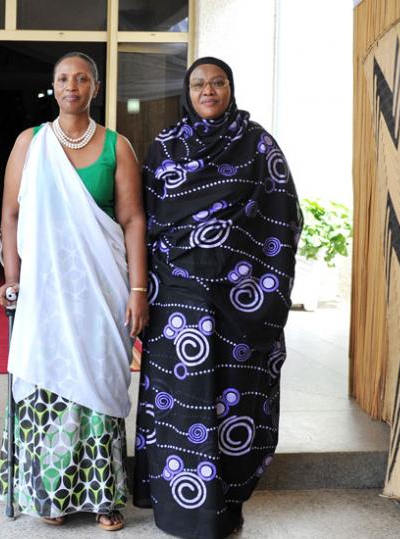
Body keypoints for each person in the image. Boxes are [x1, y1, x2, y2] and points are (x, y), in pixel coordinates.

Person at [132, 57, 302, 538]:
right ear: (187, 93)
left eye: (218, 83)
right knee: (180, 400)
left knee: (232, 402)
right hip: (176, 300)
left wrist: (241, 265)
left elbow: (284, 216)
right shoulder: (166, 146)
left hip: (240, 299)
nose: (208, 91)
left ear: (230, 88)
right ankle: (178, 508)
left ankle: (226, 504)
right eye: (199, 84)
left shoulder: (257, 144)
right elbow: (144, 220)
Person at [0, 52, 148, 532]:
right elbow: (11, 215)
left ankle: (105, 496)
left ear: (94, 88)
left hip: (101, 290)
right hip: (43, 292)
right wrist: (13, 278)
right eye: (63, 78)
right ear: (54, 85)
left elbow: (132, 219)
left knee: (100, 383)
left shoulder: (117, 146)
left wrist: (138, 289)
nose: (71, 86)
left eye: (81, 79)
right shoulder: (31, 143)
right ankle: (51, 494)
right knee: (46, 382)